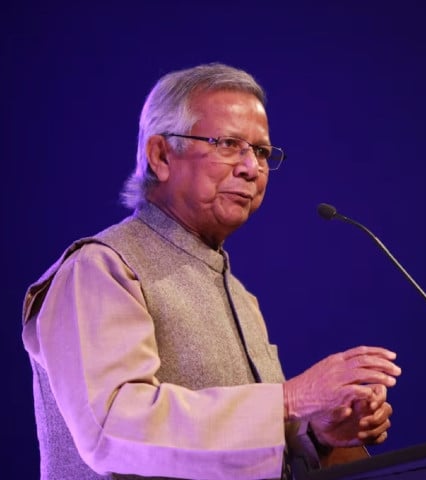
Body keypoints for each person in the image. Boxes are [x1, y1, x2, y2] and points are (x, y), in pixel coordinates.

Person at [21, 62, 401, 480]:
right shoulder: (100, 268)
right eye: (228, 144)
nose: (251, 168)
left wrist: (317, 433)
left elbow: (243, 444)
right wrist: (291, 399)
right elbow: (112, 426)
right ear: (161, 156)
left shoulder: (240, 296)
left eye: (260, 151)